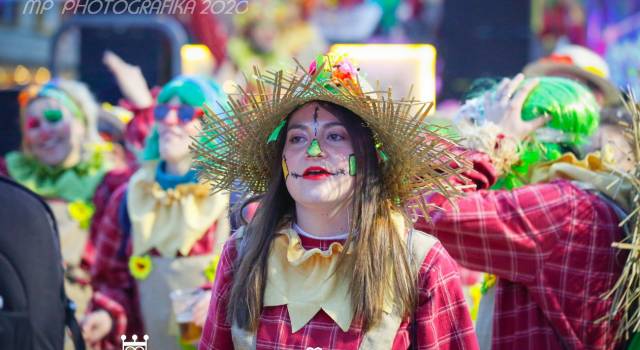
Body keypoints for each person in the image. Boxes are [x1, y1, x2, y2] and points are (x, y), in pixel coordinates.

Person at [195, 54, 479, 349]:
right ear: (281, 159)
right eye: (296, 138)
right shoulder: (241, 253)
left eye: (335, 136)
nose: (314, 150)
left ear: (369, 156)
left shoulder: (422, 263)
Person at [419, 74, 630, 349]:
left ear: (530, 144)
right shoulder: (586, 202)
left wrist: (492, 141)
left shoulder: (564, 207)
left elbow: (427, 210)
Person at [82, 76, 231, 349]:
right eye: (162, 110)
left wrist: (221, 298)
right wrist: (106, 315)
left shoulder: (235, 201)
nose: (170, 121)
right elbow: (112, 283)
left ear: (213, 128)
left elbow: (262, 281)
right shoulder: (129, 197)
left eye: (186, 112)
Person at [2, 79, 113, 321]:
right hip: (21, 319)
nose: (45, 131)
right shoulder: (8, 177)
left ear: (81, 123)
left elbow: (119, 274)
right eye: (33, 124)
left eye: (54, 117)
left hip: (85, 318)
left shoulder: (111, 182)